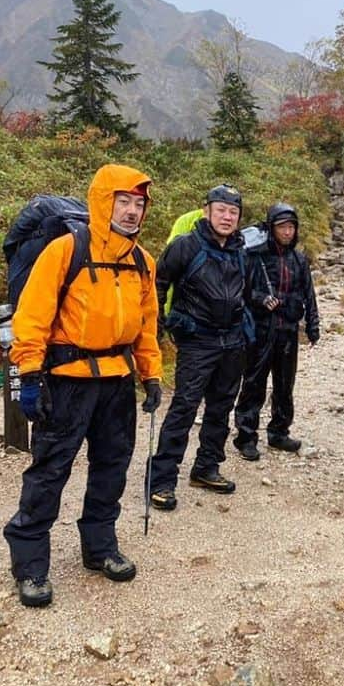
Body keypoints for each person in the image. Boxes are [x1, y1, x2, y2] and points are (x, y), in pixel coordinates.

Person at [4, 164, 163, 608]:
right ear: (102, 201)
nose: (132, 212)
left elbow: (147, 326)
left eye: (139, 204)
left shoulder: (142, 262)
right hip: (67, 380)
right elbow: (31, 317)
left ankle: (99, 547)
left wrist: (151, 374)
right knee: (50, 469)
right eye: (123, 201)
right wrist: (30, 374)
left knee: (112, 466)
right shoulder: (64, 250)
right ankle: (30, 562)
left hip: (117, 381)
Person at [148, 184, 255, 510]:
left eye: (233, 212)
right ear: (206, 211)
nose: (227, 217)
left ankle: (206, 467)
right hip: (197, 340)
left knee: (221, 407)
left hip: (232, 340)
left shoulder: (240, 250)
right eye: (221, 210)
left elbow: (245, 292)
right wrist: (157, 325)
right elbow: (158, 283)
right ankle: (162, 480)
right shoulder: (186, 245)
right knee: (184, 407)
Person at [233, 203, 320, 460]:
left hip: (289, 331)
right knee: (254, 383)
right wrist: (260, 298)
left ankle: (279, 433)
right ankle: (246, 436)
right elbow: (242, 290)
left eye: (291, 227)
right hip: (261, 330)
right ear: (271, 229)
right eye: (282, 227)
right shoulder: (256, 257)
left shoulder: (299, 259)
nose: (288, 231)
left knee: (285, 385)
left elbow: (309, 294)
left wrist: (313, 325)